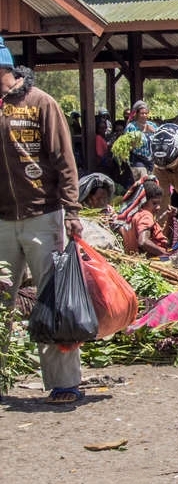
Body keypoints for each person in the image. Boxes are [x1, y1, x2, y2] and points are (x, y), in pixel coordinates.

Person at [0, 37, 84, 403]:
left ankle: (63, 382)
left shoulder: (41, 104)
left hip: (43, 215)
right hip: (1, 221)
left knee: (52, 300)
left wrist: (72, 211)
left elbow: (64, 161)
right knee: (0, 301)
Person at [121, 181, 174, 258]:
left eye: (159, 203)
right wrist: (166, 254)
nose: (158, 207)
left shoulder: (134, 215)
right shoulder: (146, 215)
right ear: (143, 202)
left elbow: (160, 237)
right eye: (154, 203)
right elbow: (143, 241)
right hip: (152, 260)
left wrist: (170, 218)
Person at [124, 99, 157, 180]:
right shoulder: (131, 127)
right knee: (143, 181)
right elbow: (128, 145)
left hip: (151, 161)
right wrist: (143, 132)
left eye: (146, 113)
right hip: (138, 161)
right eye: (142, 113)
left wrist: (154, 131)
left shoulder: (152, 125)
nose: (144, 115)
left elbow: (160, 138)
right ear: (137, 114)